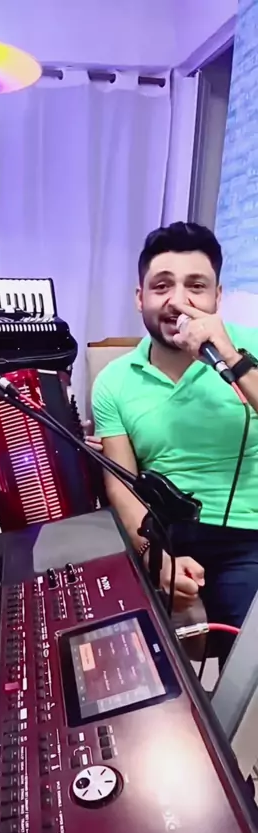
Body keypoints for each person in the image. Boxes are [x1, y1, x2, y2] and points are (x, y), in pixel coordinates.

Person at [89, 222, 258, 664]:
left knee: (246, 670)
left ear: (217, 297)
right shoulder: (113, 382)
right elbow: (121, 484)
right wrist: (156, 557)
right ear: (139, 297)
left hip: (249, 536)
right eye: (162, 286)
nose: (178, 300)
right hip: (162, 532)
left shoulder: (250, 349)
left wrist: (230, 355)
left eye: (196, 287)